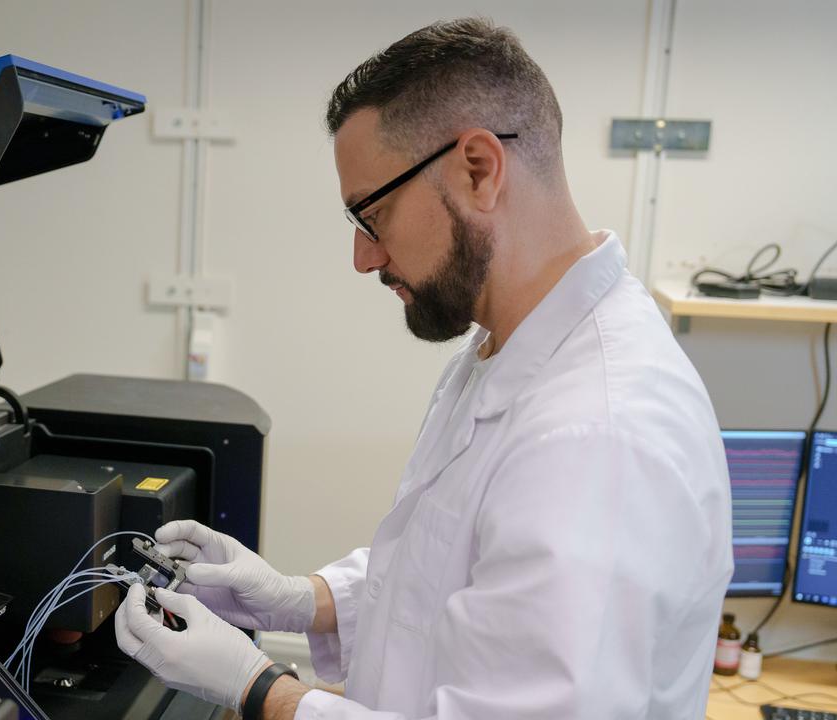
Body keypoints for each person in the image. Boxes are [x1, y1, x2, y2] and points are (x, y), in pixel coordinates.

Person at [115, 16, 732, 720]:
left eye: (372, 216)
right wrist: (299, 600)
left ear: (479, 169)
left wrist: (261, 691)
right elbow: (451, 580)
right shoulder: (506, 349)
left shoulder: (595, 436)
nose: (364, 258)